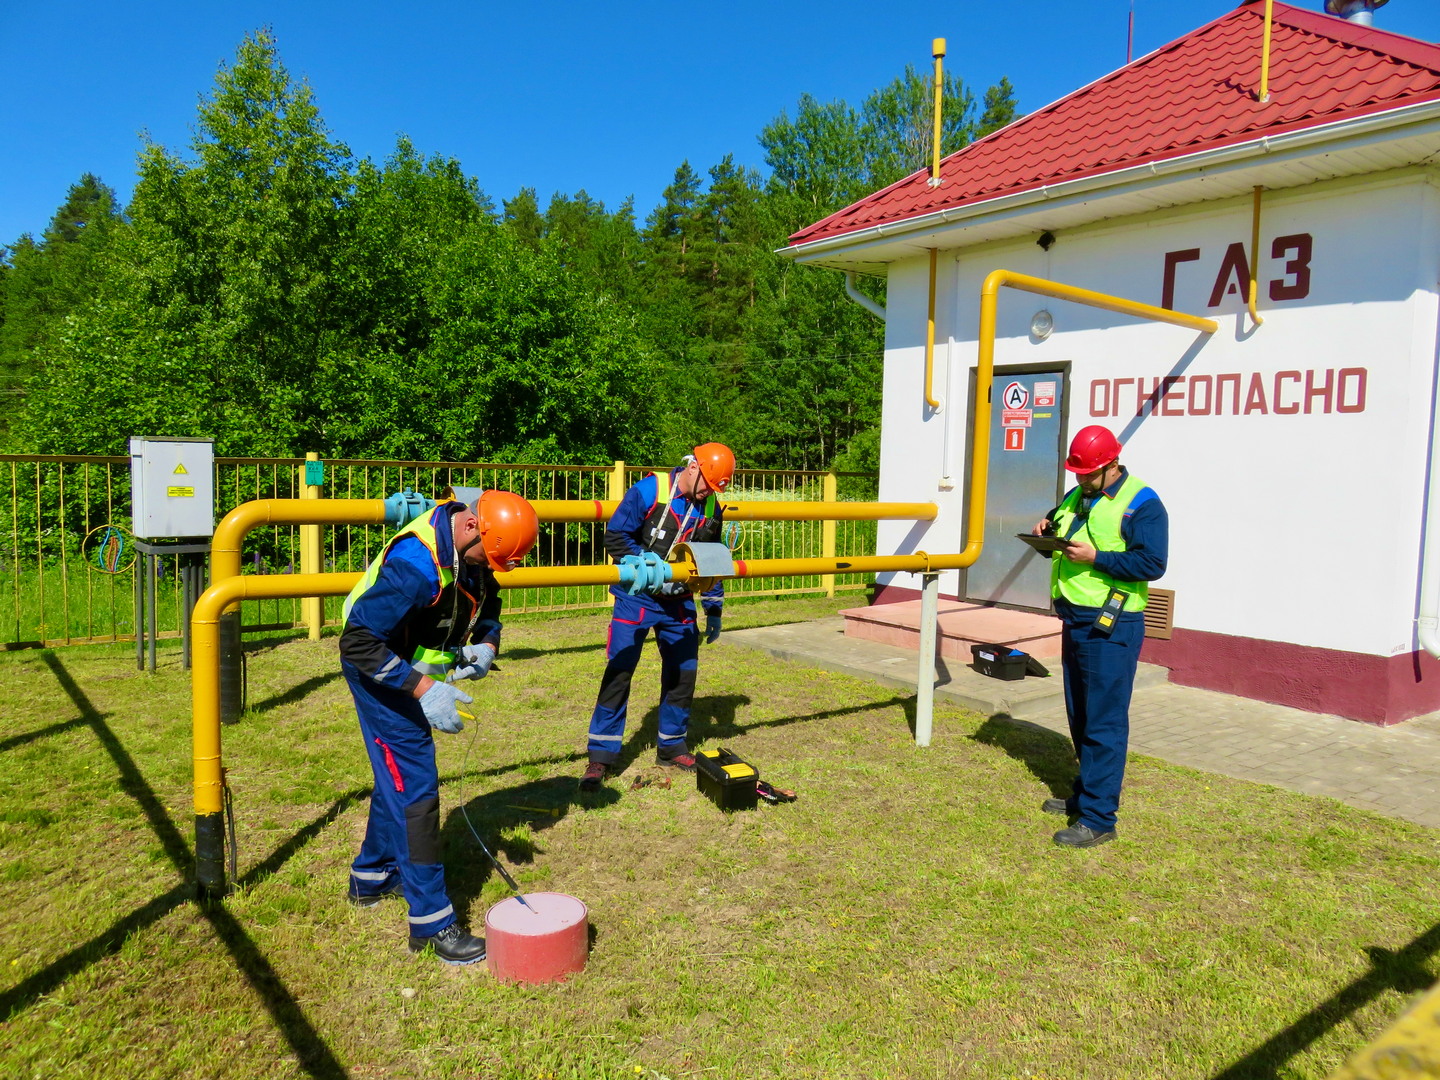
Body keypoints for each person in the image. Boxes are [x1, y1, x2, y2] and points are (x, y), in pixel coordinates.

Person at [339, 487, 539, 963]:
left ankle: (371, 877)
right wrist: (425, 690)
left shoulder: (476, 545)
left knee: (398, 781)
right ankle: (431, 924)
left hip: (407, 669)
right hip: (380, 672)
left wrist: (487, 645)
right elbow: (359, 644)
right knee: (418, 793)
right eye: (486, 558)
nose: (487, 568)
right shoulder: (416, 565)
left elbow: (488, 601)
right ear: (472, 527)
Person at [1032, 425, 1168, 849]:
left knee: (1105, 721)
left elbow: (1152, 563)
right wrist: (1044, 530)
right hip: (1075, 615)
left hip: (1113, 622)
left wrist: (1097, 558)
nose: (1081, 480)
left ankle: (1098, 818)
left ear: (1112, 465)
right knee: (1082, 714)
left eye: (1088, 474)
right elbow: (1062, 525)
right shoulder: (1079, 494)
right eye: (1077, 473)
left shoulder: (1143, 503)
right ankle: (1086, 792)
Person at [579, 443, 735, 790]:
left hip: (679, 602)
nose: (709, 492)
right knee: (619, 673)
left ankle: (672, 746)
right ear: (692, 467)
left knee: (683, 674)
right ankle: (600, 757)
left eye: (716, 487)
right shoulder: (649, 491)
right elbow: (615, 535)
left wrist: (713, 606)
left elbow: (711, 557)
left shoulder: (711, 505)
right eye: (707, 482)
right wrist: (645, 562)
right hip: (637, 598)